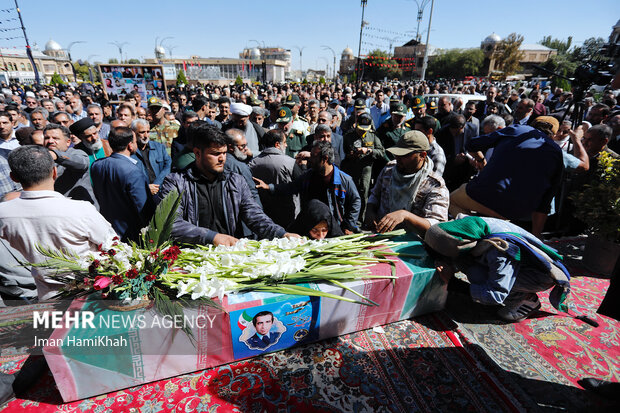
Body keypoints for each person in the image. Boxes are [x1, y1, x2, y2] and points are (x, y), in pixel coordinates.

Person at [0, 145, 116, 300]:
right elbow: (114, 247)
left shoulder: (4, 213)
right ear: (54, 172)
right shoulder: (81, 210)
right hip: (89, 297)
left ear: (13, 177)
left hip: (47, 297)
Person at [157, 122, 296, 246]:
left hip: (229, 257)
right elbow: (171, 222)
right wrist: (211, 237)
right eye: (215, 153)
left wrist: (281, 234)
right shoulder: (176, 182)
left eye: (224, 153)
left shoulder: (235, 181)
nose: (222, 158)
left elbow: (254, 215)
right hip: (193, 259)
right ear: (197, 153)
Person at [425, 216, 571, 322]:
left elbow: (495, 295)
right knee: (466, 261)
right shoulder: (468, 225)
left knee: (477, 273)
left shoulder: (499, 250)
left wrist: (453, 283)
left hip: (541, 275)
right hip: (518, 263)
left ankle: (524, 299)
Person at [449, 123, 564, 237]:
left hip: (484, 194)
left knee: (451, 200)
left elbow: (472, 144)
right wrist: (536, 234)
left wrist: (480, 159)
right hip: (521, 211)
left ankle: (475, 233)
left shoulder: (519, 129)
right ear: (552, 135)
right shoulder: (557, 151)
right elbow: (546, 201)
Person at [255, 140, 361, 234]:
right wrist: (269, 187)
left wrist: (349, 225)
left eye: (314, 156)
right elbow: (291, 187)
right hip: (311, 227)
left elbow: (355, 201)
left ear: (325, 159)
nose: (310, 159)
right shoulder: (308, 176)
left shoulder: (344, 180)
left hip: (333, 227)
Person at [364, 130, 449, 235]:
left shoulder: (435, 185)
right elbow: (375, 195)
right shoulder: (389, 169)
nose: (397, 158)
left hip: (412, 245)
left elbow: (437, 225)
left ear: (422, 155)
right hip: (381, 237)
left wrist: (406, 216)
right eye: (397, 154)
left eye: (404, 155)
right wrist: (370, 211)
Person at [90, 126, 155, 242]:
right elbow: (143, 208)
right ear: (130, 145)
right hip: (130, 235)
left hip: (106, 231)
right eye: (135, 142)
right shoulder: (133, 171)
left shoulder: (96, 165)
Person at [249, 129, 302, 228]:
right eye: (285, 142)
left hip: (263, 213)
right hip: (288, 214)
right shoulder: (290, 162)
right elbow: (300, 184)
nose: (286, 145)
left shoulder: (253, 162)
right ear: (277, 144)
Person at [341, 112, 386, 220]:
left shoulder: (373, 136)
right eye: (361, 128)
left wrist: (369, 150)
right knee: (350, 194)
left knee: (364, 195)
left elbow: (381, 152)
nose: (363, 131)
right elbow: (343, 153)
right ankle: (349, 219)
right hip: (351, 170)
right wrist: (351, 154)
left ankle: (362, 219)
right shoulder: (348, 136)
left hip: (366, 170)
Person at [43, 123, 95, 205]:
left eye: (55, 138)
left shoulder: (76, 153)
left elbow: (81, 163)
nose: (50, 141)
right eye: (47, 138)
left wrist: (56, 155)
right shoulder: (41, 158)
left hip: (79, 208)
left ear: (68, 142)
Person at [130, 119, 171, 196]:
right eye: (142, 132)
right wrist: (145, 188)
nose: (146, 136)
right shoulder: (130, 152)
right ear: (133, 133)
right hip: (142, 195)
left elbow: (168, 165)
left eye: (148, 132)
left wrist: (156, 184)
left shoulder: (159, 147)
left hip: (160, 191)